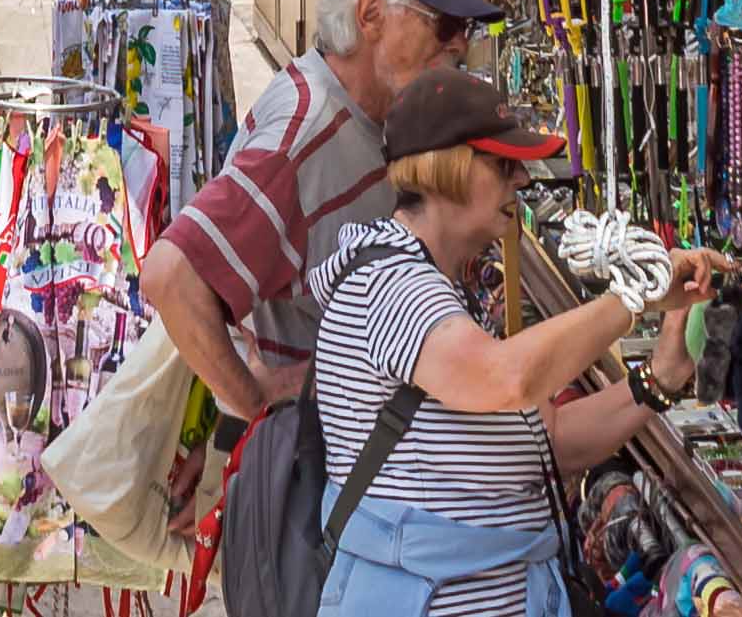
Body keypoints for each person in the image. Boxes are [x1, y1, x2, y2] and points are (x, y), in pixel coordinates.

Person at [303, 71, 720, 617]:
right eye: (502, 165)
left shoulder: (435, 285)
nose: (521, 179)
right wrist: (635, 296)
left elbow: (547, 440)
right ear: (444, 170)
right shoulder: (388, 282)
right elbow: (503, 379)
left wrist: (657, 379)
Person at [144, 0, 493, 425]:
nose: (459, 41)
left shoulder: (363, 108)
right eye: (443, 23)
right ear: (370, 14)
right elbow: (170, 274)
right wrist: (253, 398)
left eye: (466, 27)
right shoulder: (303, 135)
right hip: (304, 455)